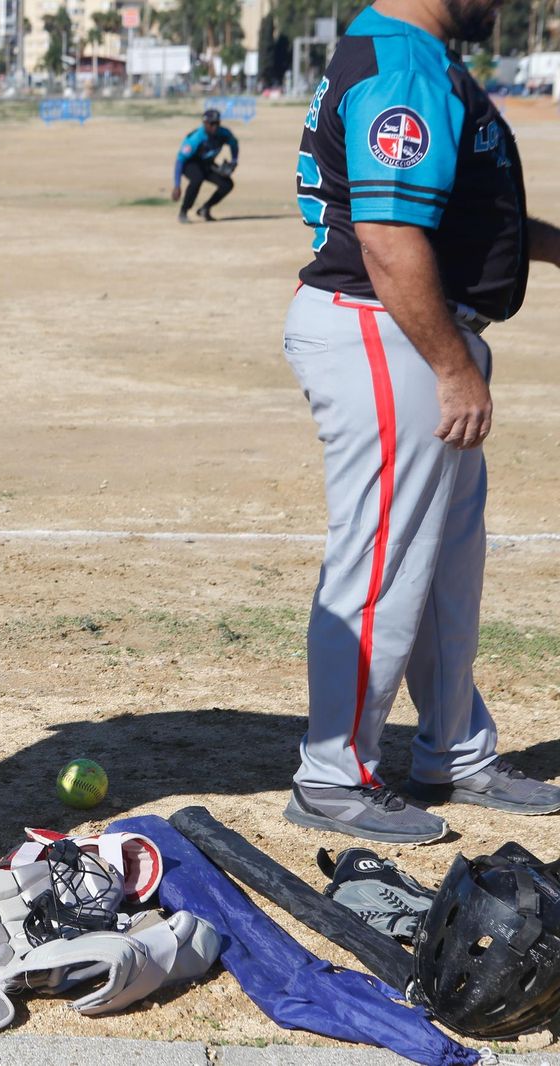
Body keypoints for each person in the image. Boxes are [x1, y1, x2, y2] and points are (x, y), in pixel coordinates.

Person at [281, 0, 560, 844]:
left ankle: (453, 751)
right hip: (387, 330)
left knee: (444, 564)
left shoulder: (410, 52)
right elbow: (389, 235)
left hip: (408, 329)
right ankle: (333, 777)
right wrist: (451, 366)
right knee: (382, 563)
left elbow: (467, 221)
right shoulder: (400, 62)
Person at [171, 109, 239, 223]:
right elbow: (180, 160)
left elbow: (234, 144)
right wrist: (177, 185)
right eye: (212, 124)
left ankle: (205, 208)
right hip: (190, 163)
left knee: (227, 184)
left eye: (217, 123)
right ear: (205, 124)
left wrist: (234, 161)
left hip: (207, 163)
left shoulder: (224, 133)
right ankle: (183, 212)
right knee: (197, 178)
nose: (215, 127)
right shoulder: (196, 138)